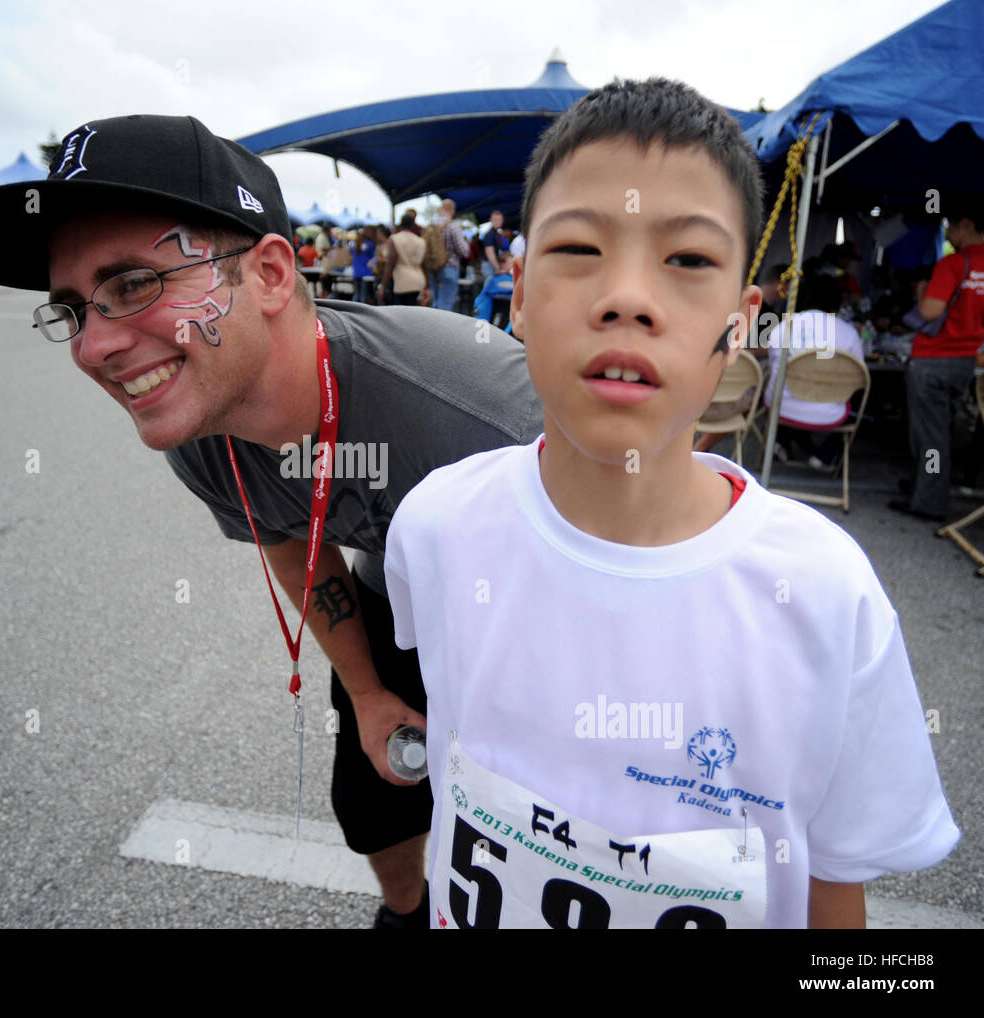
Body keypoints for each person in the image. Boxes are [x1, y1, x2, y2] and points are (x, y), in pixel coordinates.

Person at [0, 114, 543, 929]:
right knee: (375, 806)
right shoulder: (197, 426)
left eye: (134, 284)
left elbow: (650, 549)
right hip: (396, 597)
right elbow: (290, 541)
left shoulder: (477, 415)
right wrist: (363, 692)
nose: (93, 347)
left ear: (273, 274)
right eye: (73, 309)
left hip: (540, 611)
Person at [384, 78, 959, 929]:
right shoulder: (435, 528)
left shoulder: (828, 597)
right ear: (515, 285)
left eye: (688, 260)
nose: (628, 297)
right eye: (578, 248)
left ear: (741, 320)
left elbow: (836, 901)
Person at [890, 202, 984, 521]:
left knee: (931, 436)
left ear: (967, 224)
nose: (948, 232)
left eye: (951, 226)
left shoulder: (953, 264)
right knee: (942, 430)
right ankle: (924, 485)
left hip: (934, 359)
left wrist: (921, 293)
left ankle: (928, 501)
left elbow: (929, 312)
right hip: (966, 360)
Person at [761, 274, 865, 471]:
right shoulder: (848, 333)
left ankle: (783, 440)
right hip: (829, 413)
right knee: (860, 397)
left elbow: (775, 366)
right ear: (838, 301)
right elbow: (858, 380)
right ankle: (826, 454)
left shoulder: (783, 327)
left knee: (779, 383)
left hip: (781, 408)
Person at [426, 199, 469, 313]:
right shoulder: (452, 226)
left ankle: (432, 329)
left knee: (435, 303)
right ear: (452, 211)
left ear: (441, 209)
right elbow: (463, 251)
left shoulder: (430, 226)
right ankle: (442, 330)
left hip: (432, 268)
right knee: (445, 306)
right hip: (449, 267)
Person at [378, 210, 429, 307]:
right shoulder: (420, 241)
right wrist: (427, 287)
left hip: (402, 282)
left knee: (402, 313)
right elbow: (424, 264)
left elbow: (390, 263)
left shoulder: (395, 239)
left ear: (401, 224)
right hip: (418, 281)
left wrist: (383, 286)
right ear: (413, 225)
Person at [472, 250, 514, 323]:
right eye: (511, 263)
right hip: (494, 312)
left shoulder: (504, 277)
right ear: (502, 264)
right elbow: (509, 288)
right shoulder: (496, 278)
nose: (513, 265)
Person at [481, 210, 509, 281]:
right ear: (491, 220)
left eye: (499, 219)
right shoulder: (490, 234)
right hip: (489, 265)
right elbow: (489, 252)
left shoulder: (496, 233)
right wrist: (497, 268)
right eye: (495, 219)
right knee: (490, 287)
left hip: (491, 264)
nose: (498, 221)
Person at [350, 227, 376, 304]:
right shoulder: (370, 244)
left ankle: (352, 309)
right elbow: (374, 257)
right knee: (363, 295)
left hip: (356, 272)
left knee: (356, 294)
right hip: (366, 273)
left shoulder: (353, 245)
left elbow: (351, 254)